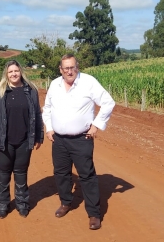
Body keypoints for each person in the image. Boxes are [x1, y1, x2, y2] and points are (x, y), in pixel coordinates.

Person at [42, 54, 115, 230]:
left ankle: (94, 214)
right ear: (60, 69)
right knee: (61, 173)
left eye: (72, 67)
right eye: (65, 68)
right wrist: (49, 128)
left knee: (87, 176)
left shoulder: (88, 82)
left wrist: (96, 125)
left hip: (82, 139)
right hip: (58, 139)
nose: (69, 71)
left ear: (77, 67)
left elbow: (108, 102)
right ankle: (66, 202)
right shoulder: (54, 84)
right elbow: (47, 108)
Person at [0, 60, 44, 219]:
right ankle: (2, 205)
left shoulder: (31, 90)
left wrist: (39, 136)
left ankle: (22, 204)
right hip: (4, 141)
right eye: (10, 72)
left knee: (21, 174)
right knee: (3, 174)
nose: (14, 74)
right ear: (6, 74)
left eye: (16, 71)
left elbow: (37, 115)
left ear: (21, 71)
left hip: (25, 141)